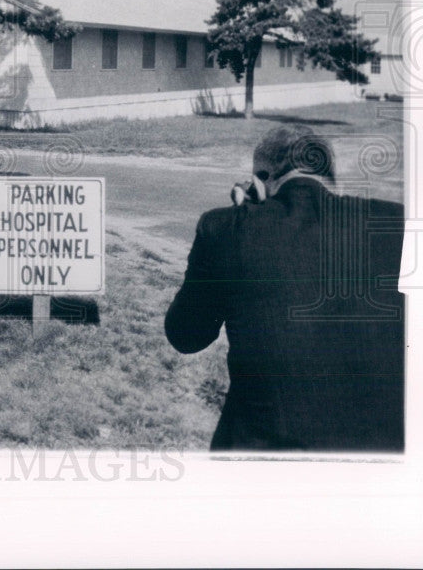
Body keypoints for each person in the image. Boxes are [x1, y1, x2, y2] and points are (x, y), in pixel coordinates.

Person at [165, 124, 405, 452]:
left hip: (266, 459)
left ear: (261, 179)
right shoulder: (399, 223)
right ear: (330, 176)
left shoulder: (225, 226)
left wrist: (242, 219)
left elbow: (186, 335)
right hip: (385, 458)